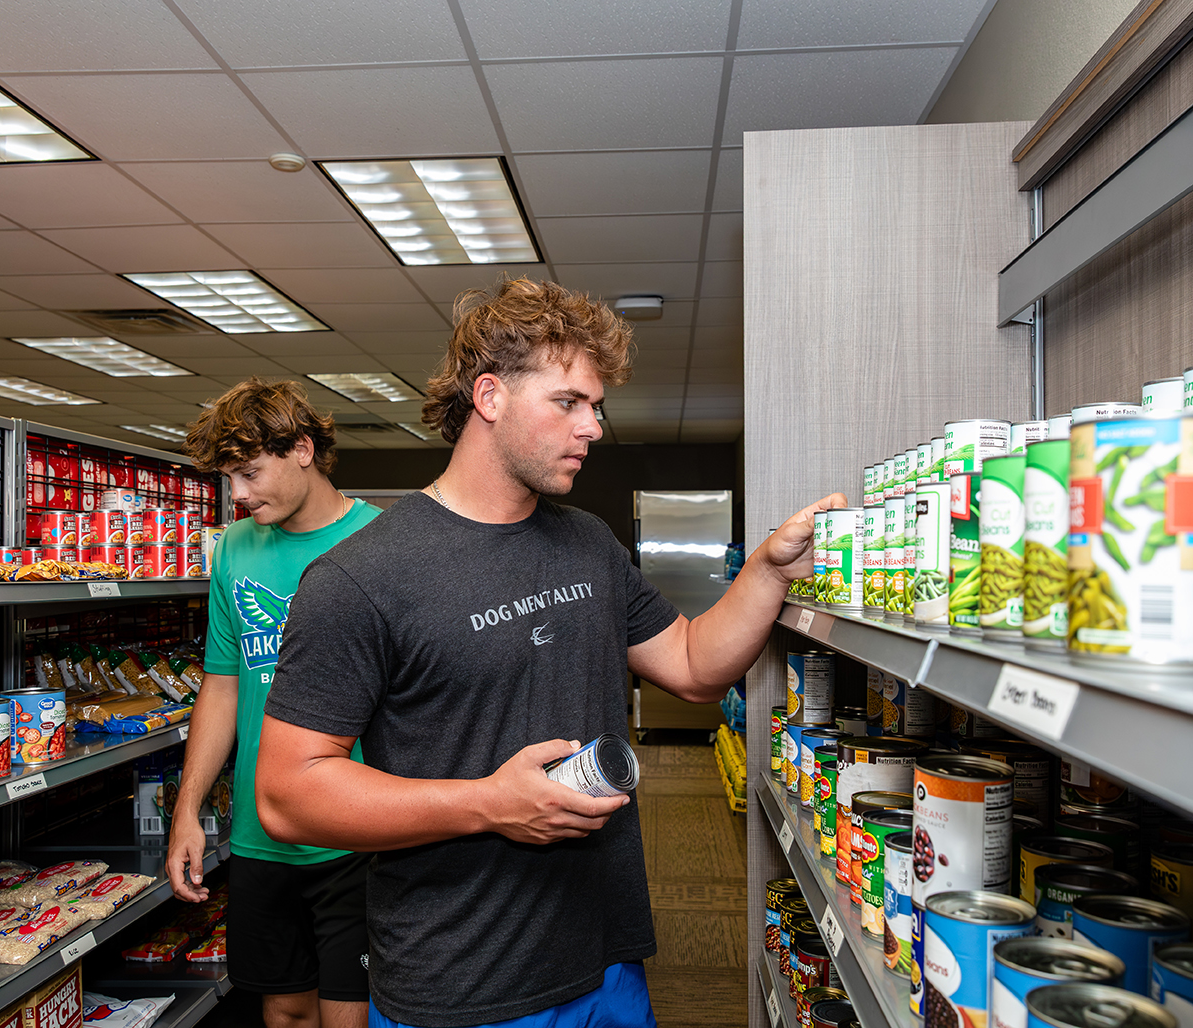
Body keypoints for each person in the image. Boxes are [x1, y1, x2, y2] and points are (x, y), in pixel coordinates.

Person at [255, 279, 843, 1028]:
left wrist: (766, 571)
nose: (593, 427)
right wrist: (487, 806)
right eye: (569, 402)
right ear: (490, 396)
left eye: (596, 406)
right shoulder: (360, 578)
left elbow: (696, 668)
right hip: (463, 981)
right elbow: (286, 794)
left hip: (605, 955)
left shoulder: (587, 542)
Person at [168, 377, 382, 1028]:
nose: (238, 495)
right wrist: (187, 809)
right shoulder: (235, 548)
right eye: (230, 478)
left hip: (358, 832)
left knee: (352, 1016)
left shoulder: (381, 543)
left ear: (302, 450)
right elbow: (224, 684)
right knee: (285, 1011)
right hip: (262, 836)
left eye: (250, 473)